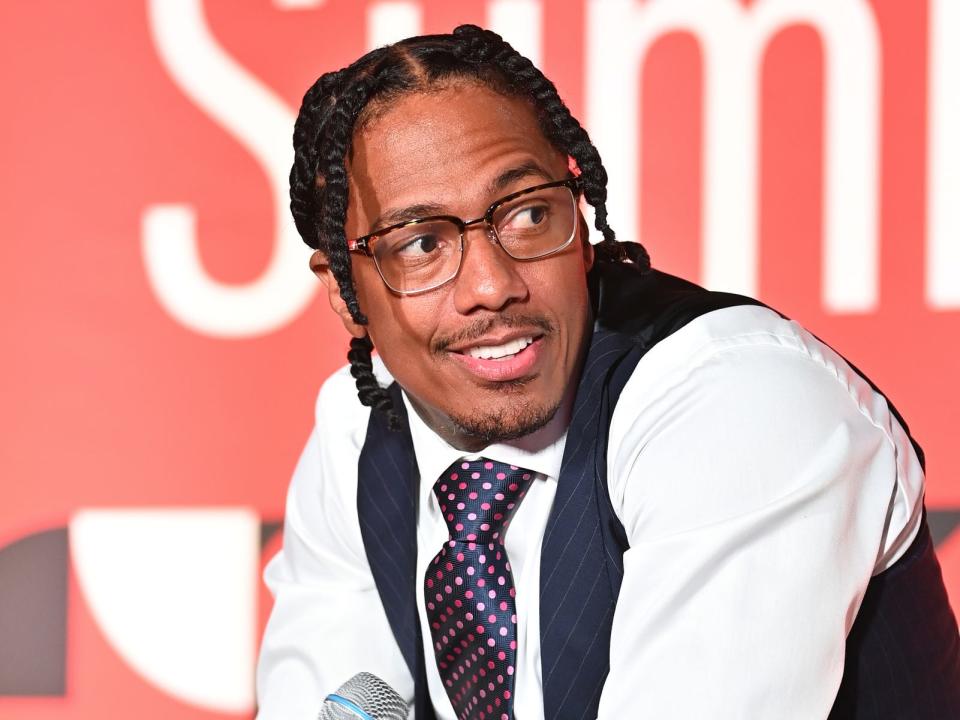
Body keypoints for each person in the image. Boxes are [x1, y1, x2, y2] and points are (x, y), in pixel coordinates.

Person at [256, 25, 960, 720]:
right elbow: (330, 701)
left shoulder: (739, 404)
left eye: (528, 214)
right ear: (346, 292)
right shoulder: (360, 432)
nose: (491, 284)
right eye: (422, 245)